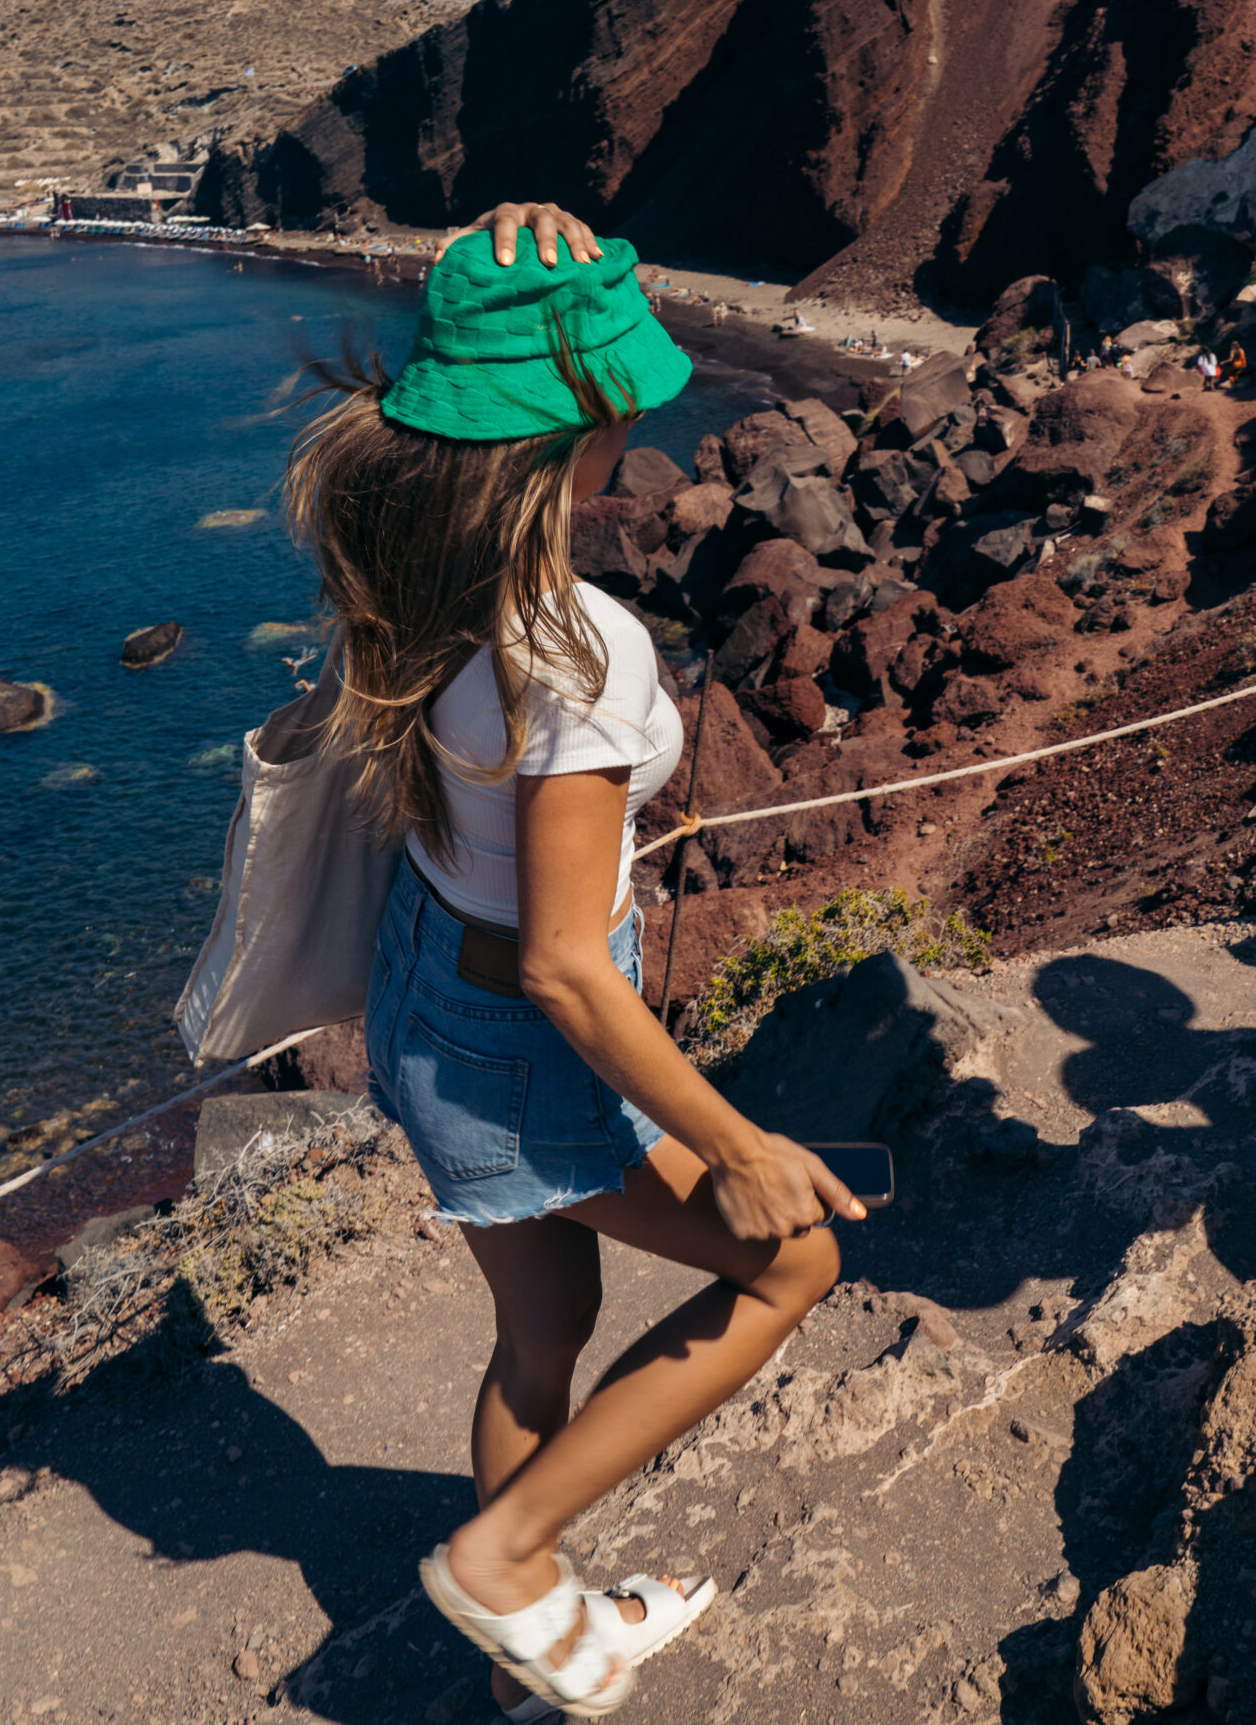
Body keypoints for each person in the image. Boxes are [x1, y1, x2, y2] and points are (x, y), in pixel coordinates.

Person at [285, 199, 858, 1720]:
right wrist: (735, 1144)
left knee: (542, 1333)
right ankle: (511, 1559)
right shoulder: (578, 650)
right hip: (513, 1025)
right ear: (578, 428)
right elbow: (565, 969)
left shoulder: (406, 554)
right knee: (795, 1254)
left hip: (424, 986)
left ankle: (524, 1660)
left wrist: (505, 252)